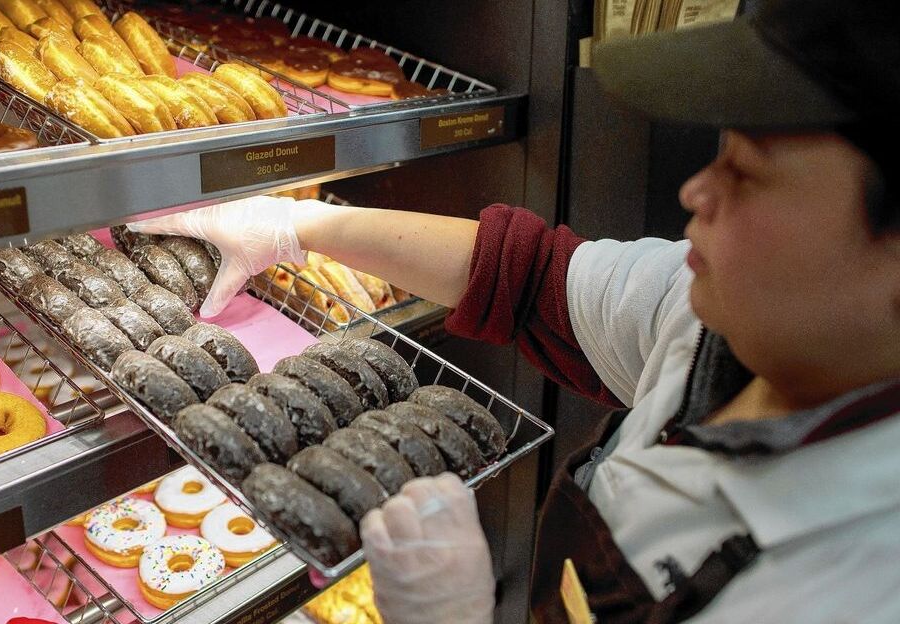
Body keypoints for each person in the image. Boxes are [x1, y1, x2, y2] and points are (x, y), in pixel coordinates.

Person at [131, 0, 899, 621]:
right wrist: (295, 225)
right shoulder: (715, 313)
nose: (696, 191)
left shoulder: (857, 584)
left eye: (748, 172)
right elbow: (526, 275)